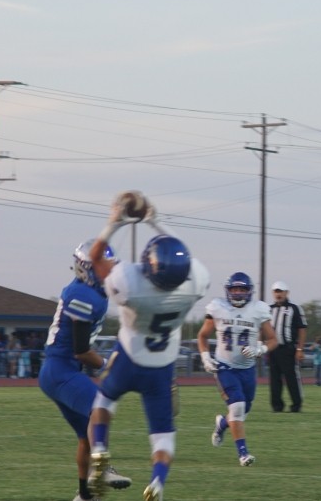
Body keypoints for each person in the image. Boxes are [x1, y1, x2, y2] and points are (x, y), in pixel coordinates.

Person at [86, 191, 211, 501]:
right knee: (163, 434)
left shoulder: (131, 285)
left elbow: (96, 257)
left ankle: (100, 449)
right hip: (162, 366)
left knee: (103, 402)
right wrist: (157, 222)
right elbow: (186, 256)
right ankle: (157, 482)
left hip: (130, 357)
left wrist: (114, 223)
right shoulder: (195, 282)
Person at [39, 239, 132, 501]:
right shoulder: (82, 294)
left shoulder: (94, 294)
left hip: (62, 370)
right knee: (100, 409)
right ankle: (101, 469)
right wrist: (105, 365)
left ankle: (84, 495)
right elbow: (81, 350)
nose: (108, 272)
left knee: (86, 436)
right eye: (102, 266)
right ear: (85, 268)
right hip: (60, 369)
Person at [199, 272, 277, 467]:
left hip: (247, 369)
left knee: (243, 411)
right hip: (224, 366)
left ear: (249, 291)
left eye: (242, 289)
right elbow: (202, 336)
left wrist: (260, 349)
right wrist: (205, 357)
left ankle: (222, 424)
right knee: (237, 407)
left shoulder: (258, 309)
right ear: (228, 291)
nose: (238, 293)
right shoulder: (218, 307)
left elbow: (274, 339)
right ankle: (243, 454)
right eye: (235, 289)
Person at [268, 280, 308, 412]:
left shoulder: (294, 309)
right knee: (274, 379)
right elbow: (263, 329)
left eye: (281, 291)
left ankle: (296, 405)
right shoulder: (269, 309)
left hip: (288, 349)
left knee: (291, 378)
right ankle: (277, 406)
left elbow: (302, 329)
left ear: (286, 293)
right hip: (272, 349)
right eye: (276, 291)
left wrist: (300, 349)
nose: (278, 294)